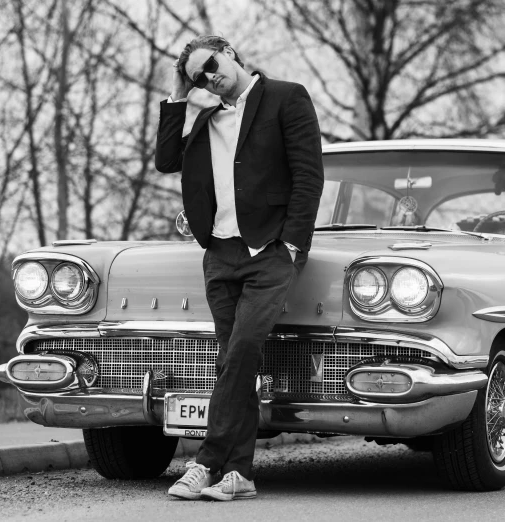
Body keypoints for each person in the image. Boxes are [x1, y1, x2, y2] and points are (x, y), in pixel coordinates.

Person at [155, 35, 324, 501]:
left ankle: (206, 460)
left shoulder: (287, 97)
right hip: (220, 254)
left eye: (210, 64)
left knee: (242, 350)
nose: (209, 76)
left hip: (269, 250)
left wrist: (291, 244)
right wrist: (177, 92)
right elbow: (165, 160)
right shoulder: (203, 113)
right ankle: (240, 475)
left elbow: (309, 174)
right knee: (235, 360)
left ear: (229, 52)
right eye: (197, 75)